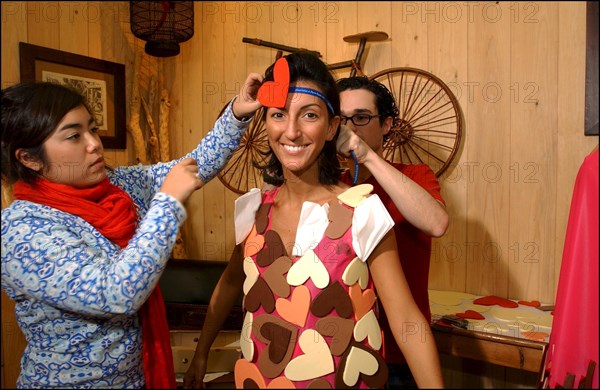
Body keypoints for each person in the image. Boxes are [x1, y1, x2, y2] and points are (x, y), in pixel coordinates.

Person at [183, 52, 444, 389]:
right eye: (279, 115)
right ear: (266, 124)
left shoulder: (362, 210)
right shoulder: (253, 209)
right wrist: (202, 351)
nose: (291, 132)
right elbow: (231, 283)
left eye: (309, 115)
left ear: (332, 126)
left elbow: (406, 318)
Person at [0, 80, 256, 388]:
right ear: (29, 158)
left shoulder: (116, 187)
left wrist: (236, 115)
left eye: (92, 129)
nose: (94, 143)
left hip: (135, 379)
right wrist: (167, 205)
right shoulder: (19, 230)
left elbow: (192, 167)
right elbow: (115, 295)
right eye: (73, 136)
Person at [335, 76, 449, 388]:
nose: (350, 128)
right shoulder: (329, 187)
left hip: (403, 353)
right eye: (342, 119)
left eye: (360, 117)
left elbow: (436, 223)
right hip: (346, 350)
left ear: (386, 125)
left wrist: (367, 155)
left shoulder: (413, 175)